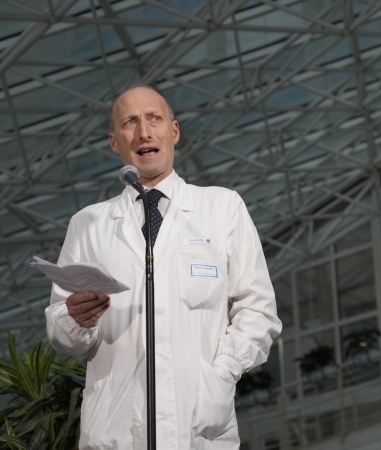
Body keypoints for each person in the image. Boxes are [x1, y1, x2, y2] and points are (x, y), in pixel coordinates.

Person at [45, 85, 282, 449]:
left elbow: (259, 311)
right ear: (114, 142)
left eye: (154, 118)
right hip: (115, 432)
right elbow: (63, 332)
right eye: (130, 122)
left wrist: (220, 374)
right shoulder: (88, 224)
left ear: (173, 131)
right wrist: (75, 320)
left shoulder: (221, 208)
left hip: (198, 430)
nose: (144, 131)